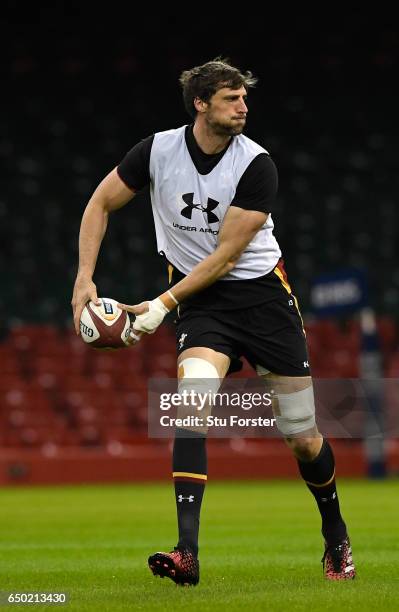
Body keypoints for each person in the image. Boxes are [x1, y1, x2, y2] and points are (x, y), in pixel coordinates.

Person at [71, 58, 355, 586]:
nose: (244, 107)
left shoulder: (257, 164)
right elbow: (100, 203)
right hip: (204, 307)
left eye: (244, 98)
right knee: (190, 405)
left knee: (301, 436)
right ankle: (187, 553)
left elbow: (225, 257)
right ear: (201, 104)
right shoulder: (156, 151)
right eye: (231, 98)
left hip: (264, 298)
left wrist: (158, 306)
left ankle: (335, 534)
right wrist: (83, 280)